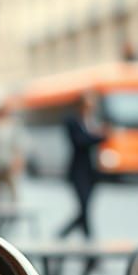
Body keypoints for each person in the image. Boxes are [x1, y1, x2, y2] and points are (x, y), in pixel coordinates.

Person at [59, 93, 107, 238]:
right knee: (84, 206)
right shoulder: (72, 121)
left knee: (86, 208)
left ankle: (65, 234)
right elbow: (80, 141)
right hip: (78, 171)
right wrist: (101, 136)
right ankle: (88, 239)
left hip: (92, 171)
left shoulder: (93, 121)